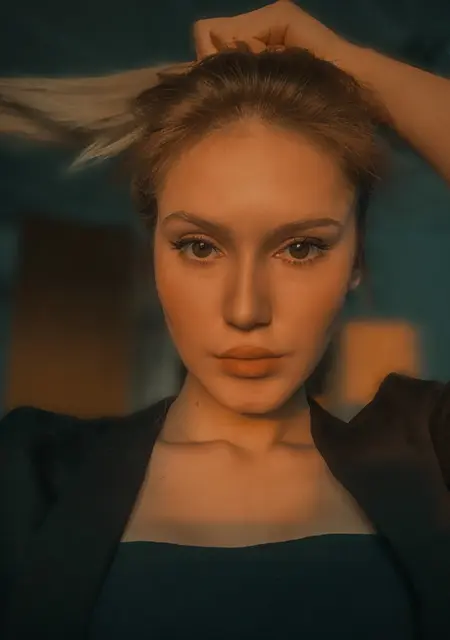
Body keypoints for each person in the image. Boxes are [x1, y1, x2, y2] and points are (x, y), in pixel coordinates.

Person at [0, 1, 449, 639]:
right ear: (155, 254)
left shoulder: (428, 458)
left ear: (356, 261)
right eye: (200, 246)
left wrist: (359, 71)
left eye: (301, 248)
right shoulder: (27, 475)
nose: (246, 310)